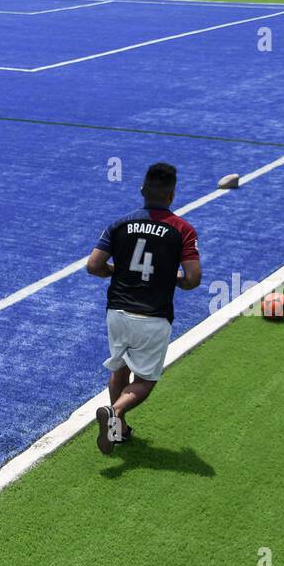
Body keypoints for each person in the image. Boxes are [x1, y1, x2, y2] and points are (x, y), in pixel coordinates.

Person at [85, 162, 201, 455]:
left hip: (117, 311)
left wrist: (118, 271)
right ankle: (116, 411)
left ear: (142, 190)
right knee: (146, 380)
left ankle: (118, 431)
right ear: (172, 195)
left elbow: (94, 266)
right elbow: (192, 279)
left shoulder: (119, 224)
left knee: (119, 367)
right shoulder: (182, 230)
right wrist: (171, 277)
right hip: (153, 316)